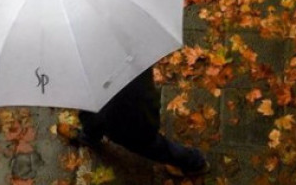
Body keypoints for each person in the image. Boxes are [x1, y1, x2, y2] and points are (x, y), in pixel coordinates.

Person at [64, 67, 210, 177]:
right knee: (93, 116)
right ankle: (90, 135)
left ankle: (193, 162)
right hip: (137, 95)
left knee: (148, 144)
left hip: (128, 116)